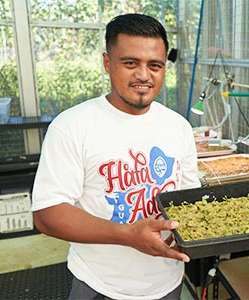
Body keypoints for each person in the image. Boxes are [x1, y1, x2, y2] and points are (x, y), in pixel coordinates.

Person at [31, 13, 201, 300]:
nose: (144, 75)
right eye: (131, 63)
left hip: (168, 283)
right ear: (107, 63)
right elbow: (47, 214)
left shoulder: (179, 126)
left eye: (155, 65)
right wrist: (128, 235)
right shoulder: (72, 126)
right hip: (100, 286)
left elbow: (188, 196)